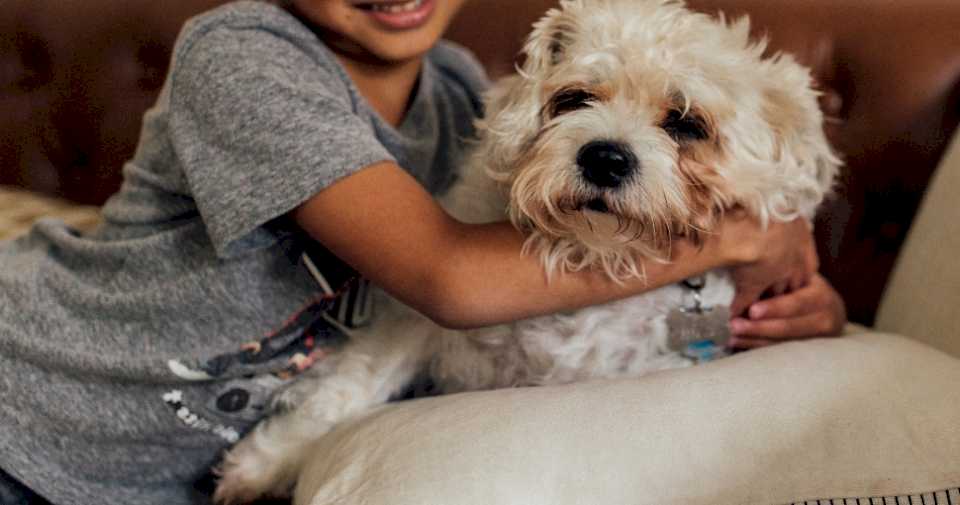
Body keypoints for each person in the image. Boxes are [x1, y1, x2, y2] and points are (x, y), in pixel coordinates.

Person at [0, 0, 846, 503]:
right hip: (40, 410)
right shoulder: (242, 53)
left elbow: (625, 286)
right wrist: (739, 233)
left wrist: (784, 289)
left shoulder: (455, 91)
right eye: (582, 99)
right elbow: (450, 277)